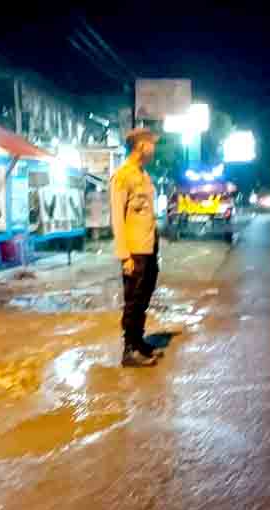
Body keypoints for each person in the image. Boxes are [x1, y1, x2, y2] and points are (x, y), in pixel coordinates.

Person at [111, 127, 162, 367]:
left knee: (144, 296)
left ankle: (139, 341)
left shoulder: (144, 175)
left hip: (149, 247)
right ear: (142, 146)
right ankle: (129, 350)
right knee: (133, 299)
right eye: (152, 144)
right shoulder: (123, 176)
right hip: (134, 250)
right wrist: (124, 256)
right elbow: (117, 218)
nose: (155, 149)